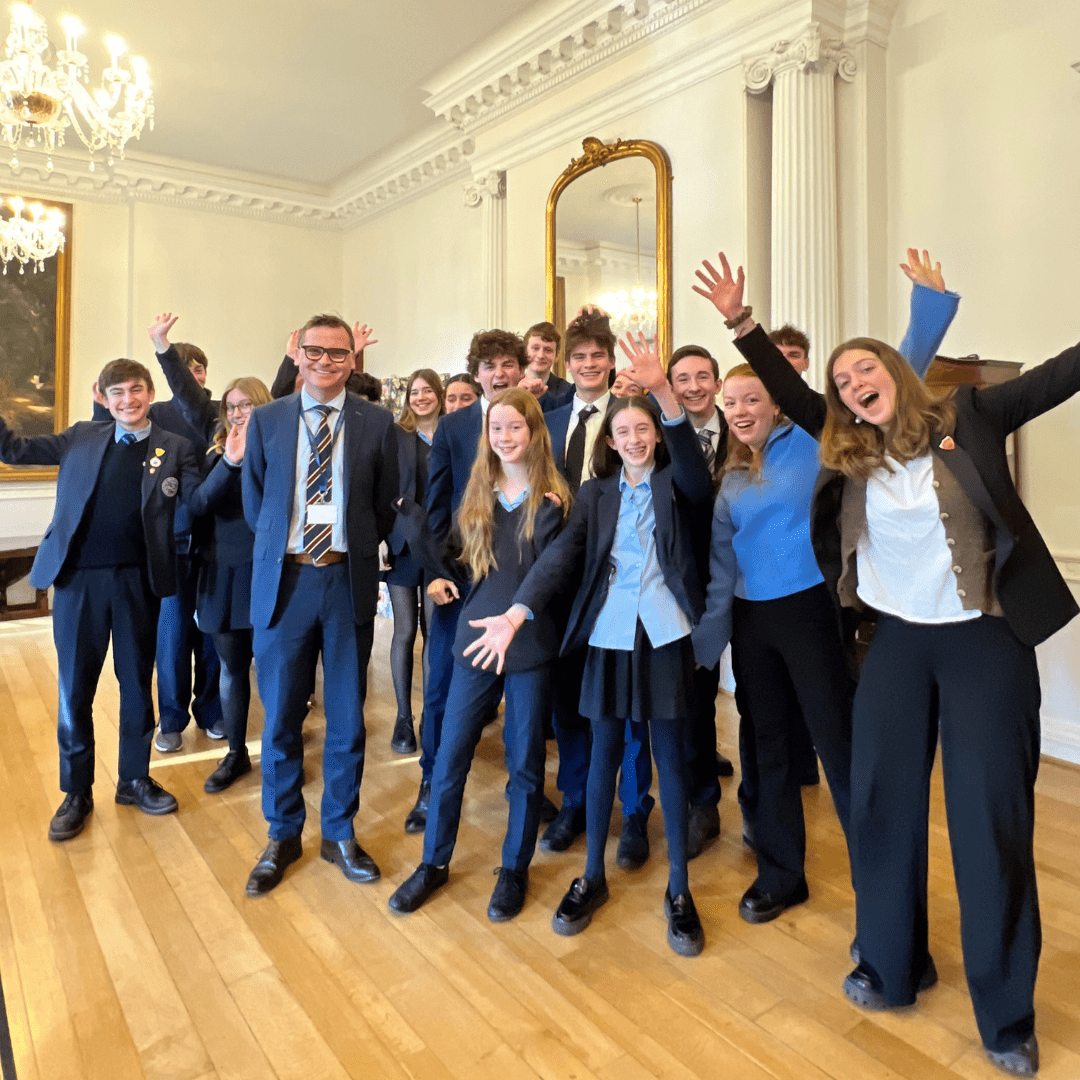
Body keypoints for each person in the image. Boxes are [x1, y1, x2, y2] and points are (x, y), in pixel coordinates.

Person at [695, 250, 1072, 1079]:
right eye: (841, 380)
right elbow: (790, 392)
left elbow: (1059, 375)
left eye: (865, 368)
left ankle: (1006, 1017)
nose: (854, 383)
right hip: (894, 643)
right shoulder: (846, 449)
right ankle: (892, 965)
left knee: (989, 826)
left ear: (897, 371)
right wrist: (741, 323)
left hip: (983, 642)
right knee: (879, 806)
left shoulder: (972, 413)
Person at [467, 334, 714, 957]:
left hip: (665, 635)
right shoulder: (597, 495)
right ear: (609, 442)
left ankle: (679, 888)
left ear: (656, 435)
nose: (633, 439)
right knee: (603, 752)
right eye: (622, 432)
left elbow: (693, 469)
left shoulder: (678, 485)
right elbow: (560, 557)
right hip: (606, 636)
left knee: (669, 757)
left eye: (643, 430)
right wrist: (518, 611)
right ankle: (592, 875)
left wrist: (662, 393)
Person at [0, 358, 203, 840]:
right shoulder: (81, 436)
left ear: (149, 393)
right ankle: (77, 791)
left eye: (136, 390)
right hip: (77, 584)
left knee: (136, 685)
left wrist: (233, 462)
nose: (128, 400)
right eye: (118, 393)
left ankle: (133, 779)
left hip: (138, 583)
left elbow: (197, 502)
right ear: (104, 398)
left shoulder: (175, 447)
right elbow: (14, 450)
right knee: (75, 689)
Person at [388, 388, 571, 920]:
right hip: (475, 639)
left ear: (534, 432)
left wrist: (515, 617)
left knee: (526, 764)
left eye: (515, 427)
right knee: (450, 757)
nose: (505, 437)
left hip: (528, 643)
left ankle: (514, 868)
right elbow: (459, 560)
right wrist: (437, 574)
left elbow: (551, 573)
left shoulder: (555, 500)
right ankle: (433, 862)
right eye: (497, 429)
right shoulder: (477, 494)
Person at [241, 313, 398, 896]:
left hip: (345, 581)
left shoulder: (376, 422)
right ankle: (282, 834)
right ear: (299, 354)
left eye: (337, 353)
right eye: (315, 351)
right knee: (282, 717)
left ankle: (338, 833)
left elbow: (383, 504)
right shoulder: (267, 419)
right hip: (285, 582)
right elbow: (255, 501)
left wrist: (347, 546)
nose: (325, 361)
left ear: (352, 360)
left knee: (347, 718)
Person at [540, 312, 655, 869]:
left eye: (597, 356)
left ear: (611, 362)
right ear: (567, 365)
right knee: (569, 701)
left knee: (629, 702)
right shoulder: (547, 420)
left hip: (620, 581)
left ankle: (633, 811)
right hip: (561, 579)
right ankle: (577, 801)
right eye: (579, 357)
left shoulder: (632, 415)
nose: (588, 365)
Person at [405, 330, 529, 834]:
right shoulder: (453, 427)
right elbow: (434, 509)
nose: (499, 373)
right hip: (460, 582)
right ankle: (430, 781)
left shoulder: (535, 419)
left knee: (522, 695)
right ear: (476, 374)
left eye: (508, 363)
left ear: (520, 369)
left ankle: (523, 789)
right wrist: (436, 573)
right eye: (489, 365)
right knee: (441, 687)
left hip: (518, 585)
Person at [386, 369, 445, 754]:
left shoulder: (452, 433)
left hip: (440, 548)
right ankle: (403, 718)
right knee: (405, 631)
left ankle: (430, 715)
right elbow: (383, 488)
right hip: (403, 544)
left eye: (427, 391)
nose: (420, 398)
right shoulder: (396, 435)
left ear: (439, 394)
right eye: (414, 392)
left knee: (433, 633)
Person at [522, 320, 572, 403]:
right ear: (525, 351)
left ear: (556, 356)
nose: (540, 355)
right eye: (535, 348)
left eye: (548, 350)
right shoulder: (512, 387)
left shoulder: (567, 392)